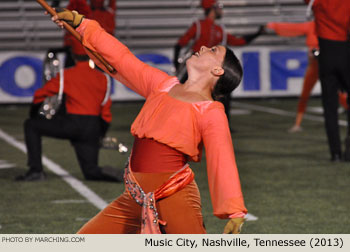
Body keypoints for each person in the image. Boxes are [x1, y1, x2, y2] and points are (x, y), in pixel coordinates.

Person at [50, 9, 247, 234]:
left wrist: (235, 212)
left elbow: (222, 160)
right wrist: (82, 23)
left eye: (213, 50)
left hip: (174, 198)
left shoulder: (211, 111)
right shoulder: (163, 85)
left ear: (217, 70)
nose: (202, 47)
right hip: (135, 197)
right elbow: (123, 60)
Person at [16, 45, 123, 182]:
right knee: (91, 171)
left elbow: (39, 95)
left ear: (73, 57)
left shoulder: (66, 74)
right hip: (92, 128)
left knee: (31, 125)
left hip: (71, 124)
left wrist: (34, 113)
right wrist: (100, 134)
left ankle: (36, 170)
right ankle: (123, 175)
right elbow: (106, 112)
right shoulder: (104, 78)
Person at [173, 0, 263, 124]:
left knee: (222, 93)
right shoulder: (199, 25)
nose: (221, 10)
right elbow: (180, 43)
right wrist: (177, 63)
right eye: (218, 7)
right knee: (181, 92)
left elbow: (238, 41)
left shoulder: (219, 29)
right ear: (211, 8)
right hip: (196, 66)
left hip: (208, 68)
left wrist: (257, 34)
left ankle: (222, 123)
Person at [266, 20, 348, 133]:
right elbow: (293, 28)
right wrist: (275, 26)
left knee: (339, 95)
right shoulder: (311, 25)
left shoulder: (330, 27)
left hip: (326, 67)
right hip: (314, 67)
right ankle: (297, 124)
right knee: (305, 94)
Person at [305, 0, 350, 161]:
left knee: (330, 108)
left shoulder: (318, 1)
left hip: (326, 54)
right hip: (345, 51)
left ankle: (335, 153)